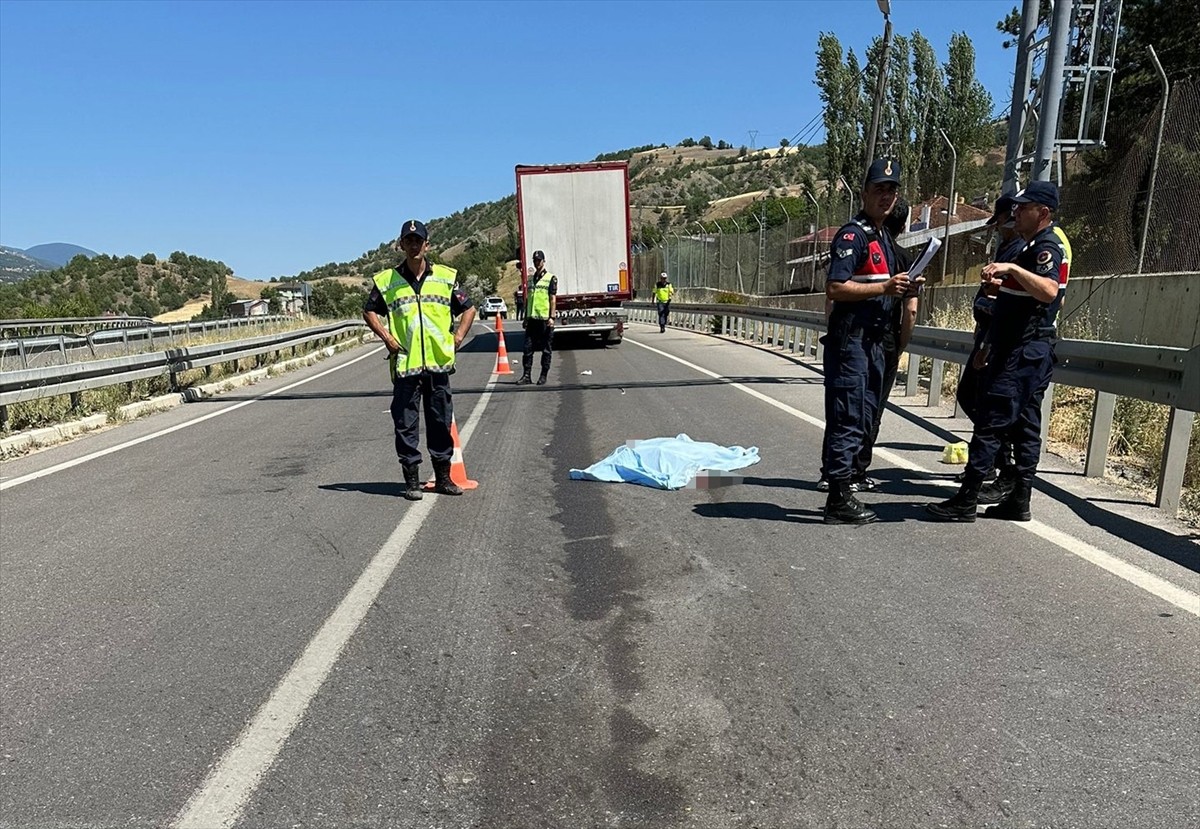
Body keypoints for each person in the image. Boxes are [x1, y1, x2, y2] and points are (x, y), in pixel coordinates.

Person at [927, 180, 1070, 523]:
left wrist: (1012, 270)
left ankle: (967, 499)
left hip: (1022, 352)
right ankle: (1019, 499)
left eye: (1024, 207)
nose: (1016, 213)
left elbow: (1050, 291)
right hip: (1018, 347)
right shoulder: (1029, 245)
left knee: (991, 423)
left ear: (1043, 212)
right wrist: (1000, 293)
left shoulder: (1044, 247)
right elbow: (1022, 301)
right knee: (1024, 426)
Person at [820, 158, 915, 525]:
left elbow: (887, 287)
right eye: (880, 189)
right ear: (864, 193)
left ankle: (842, 488)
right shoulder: (853, 235)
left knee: (863, 417)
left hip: (874, 341)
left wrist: (905, 286)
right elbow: (835, 287)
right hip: (853, 341)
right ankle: (838, 497)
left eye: (892, 190)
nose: (887, 197)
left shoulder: (882, 237)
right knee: (849, 415)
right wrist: (885, 287)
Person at [363, 219, 476, 501]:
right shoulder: (387, 281)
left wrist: (458, 338)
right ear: (401, 245)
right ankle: (411, 480)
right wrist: (387, 338)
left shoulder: (446, 277)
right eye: (408, 241)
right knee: (406, 424)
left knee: (440, 421)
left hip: (437, 366)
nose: (414, 245)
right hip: (406, 365)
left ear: (427, 245)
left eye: (418, 240)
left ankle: (443, 478)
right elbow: (369, 311)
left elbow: (469, 308)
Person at [955, 194, 1023, 502]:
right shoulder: (1007, 247)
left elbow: (1005, 300)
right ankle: (988, 464)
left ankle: (1000, 466)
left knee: (986, 405)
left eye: (998, 223)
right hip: (988, 333)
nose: (996, 229)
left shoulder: (1019, 250)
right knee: (973, 398)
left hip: (1000, 338)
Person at [517, 250, 556, 385]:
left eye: (539, 260)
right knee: (527, 349)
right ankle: (526, 375)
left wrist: (552, 316)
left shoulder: (551, 278)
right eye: (535, 261)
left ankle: (543, 375)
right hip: (532, 319)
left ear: (543, 261)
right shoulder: (530, 279)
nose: (537, 263)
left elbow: (552, 299)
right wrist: (525, 318)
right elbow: (529, 299)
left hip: (544, 320)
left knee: (546, 349)